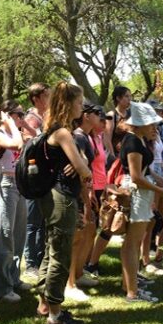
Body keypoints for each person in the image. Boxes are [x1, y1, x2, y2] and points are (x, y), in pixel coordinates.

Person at [35, 81, 93, 324]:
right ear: (68, 104)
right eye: (79, 102)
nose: (82, 107)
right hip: (62, 198)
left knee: (51, 251)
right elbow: (84, 170)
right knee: (60, 255)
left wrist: (80, 162)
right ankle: (56, 317)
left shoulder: (54, 130)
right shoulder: (63, 133)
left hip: (53, 197)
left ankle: (45, 304)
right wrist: (82, 164)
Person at [119, 102, 163, 303]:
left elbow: (146, 170)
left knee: (132, 242)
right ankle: (132, 292)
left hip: (143, 192)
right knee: (132, 243)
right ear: (140, 124)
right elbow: (135, 177)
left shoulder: (140, 140)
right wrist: (160, 190)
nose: (154, 127)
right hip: (137, 194)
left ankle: (129, 285)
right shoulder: (133, 142)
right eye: (150, 123)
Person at [0, 100, 30, 303]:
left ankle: (14, 278)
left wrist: (20, 124)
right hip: (5, 184)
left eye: (23, 115)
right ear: (6, 115)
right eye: (19, 114)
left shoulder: (17, 131)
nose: (22, 119)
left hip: (19, 184)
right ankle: (1, 287)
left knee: (19, 235)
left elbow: (36, 138)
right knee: (5, 235)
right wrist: (9, 122)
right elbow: (18, 145)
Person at [64, 102, 102, 301]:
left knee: (88, 232)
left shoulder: (86, 137)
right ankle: (69, 283)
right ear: (86, 115)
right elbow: (79, 172)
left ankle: (78, 274)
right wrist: (85, 199)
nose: (100, 117)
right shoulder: (78, 137)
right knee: (76, 238)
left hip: (88, 192)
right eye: (97, 113)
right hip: (77, 194)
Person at [23, 83, 50, 279]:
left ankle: (40, 259)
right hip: (33, 176)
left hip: (45, 176)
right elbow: (28, 144)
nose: (50, 98)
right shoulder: (31, 119)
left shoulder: (47, 116)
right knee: (32, 222)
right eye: (47, 95)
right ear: (37, 98)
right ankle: (30, 263)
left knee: (42, 221)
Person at [104, 86, 132, 163]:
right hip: (118, 157)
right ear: (118, 98)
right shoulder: (112, 115)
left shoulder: (131, 115)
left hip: (131, 156)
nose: (129, 99)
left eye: (130, 96)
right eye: (126, 96)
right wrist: (113, 158)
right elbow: (107, 139)